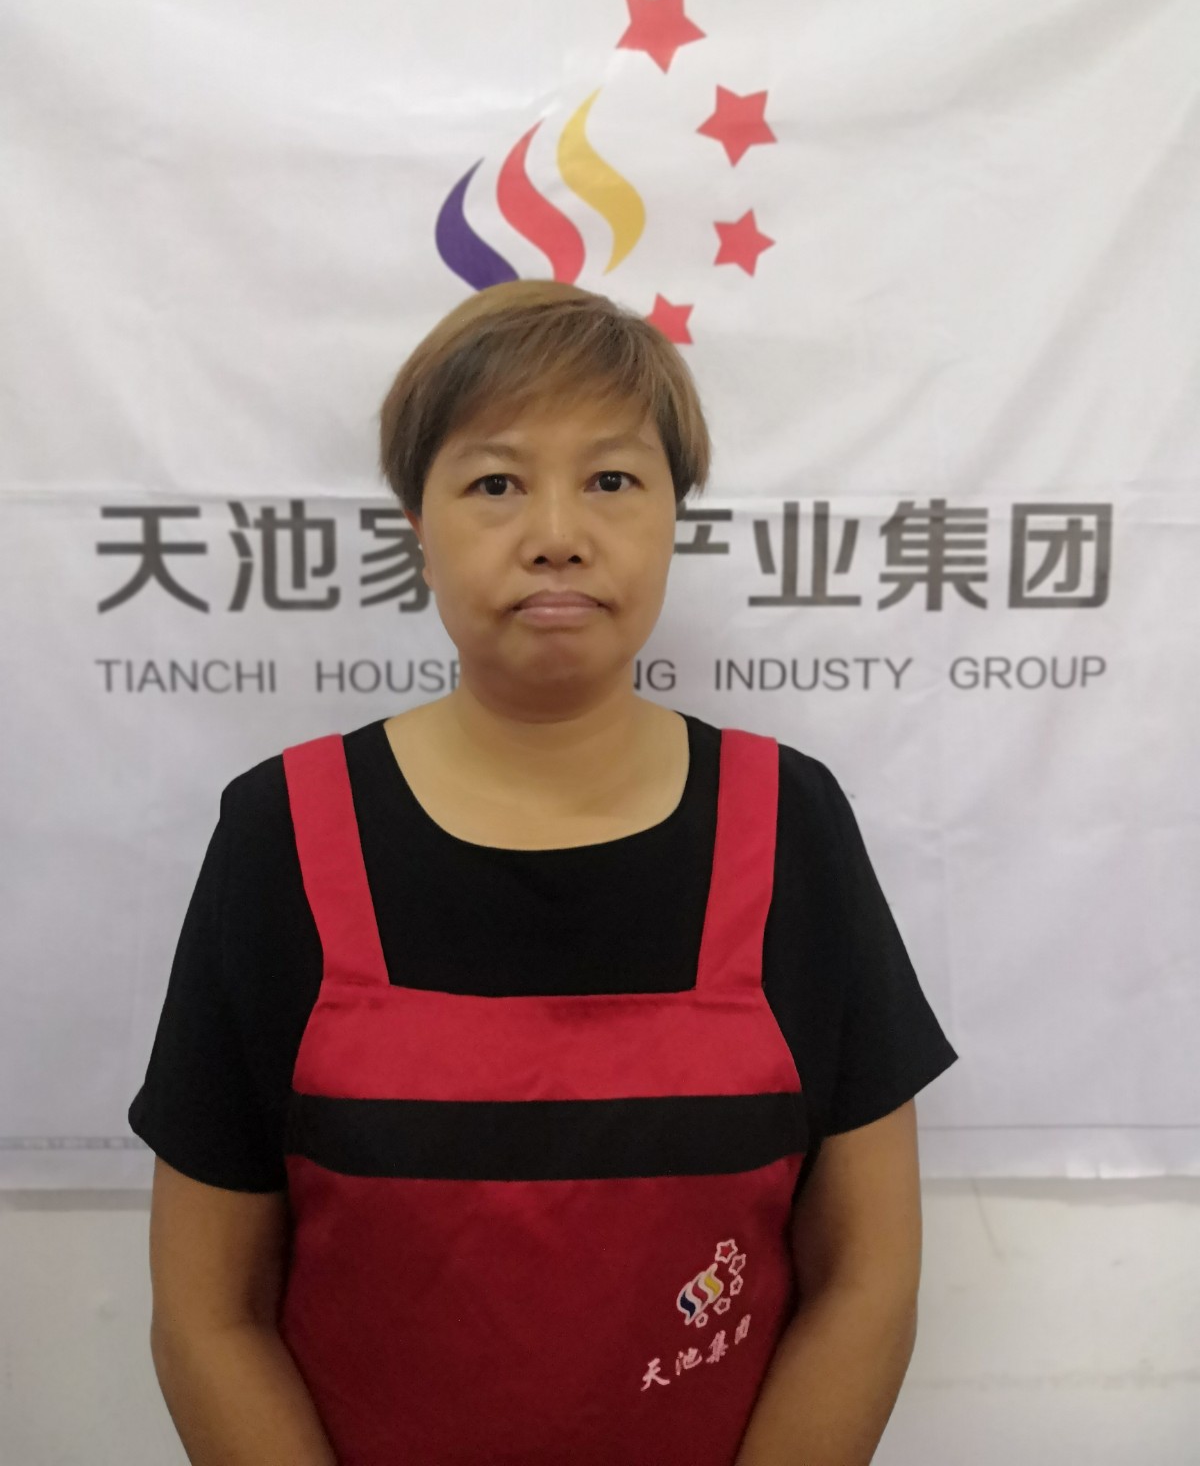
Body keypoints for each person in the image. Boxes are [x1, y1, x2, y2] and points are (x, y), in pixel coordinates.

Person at [130, 278, 958, 1465]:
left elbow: (867, 1277)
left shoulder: (793, 827)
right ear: (417, 529)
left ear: (677, 518)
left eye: (612, 480)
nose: (557, 531)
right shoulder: (283, 836)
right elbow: (208, 1313)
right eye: (496, 483)